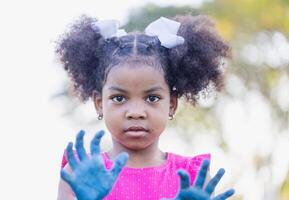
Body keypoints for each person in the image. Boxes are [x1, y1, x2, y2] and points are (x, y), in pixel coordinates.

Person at [55, 14, 234, 200]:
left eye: (152, 98)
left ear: (172, 104)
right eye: (119, 98)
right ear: (99, 103)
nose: (136, 113)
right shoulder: (80, 174)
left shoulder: (192, 179)